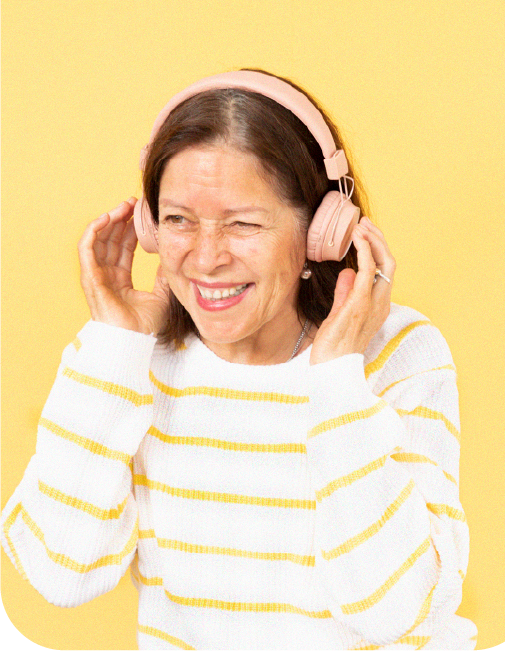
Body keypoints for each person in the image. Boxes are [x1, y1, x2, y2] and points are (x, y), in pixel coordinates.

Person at [0, 68, 478, 650]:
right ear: (150, 226)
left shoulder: (398, 355)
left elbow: (400, 611)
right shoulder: (123, 361)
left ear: (322, 233)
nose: (205, 259)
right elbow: (60, 572)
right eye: (177, 220)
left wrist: (336, 384)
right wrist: (113, 349)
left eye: (242, 224)